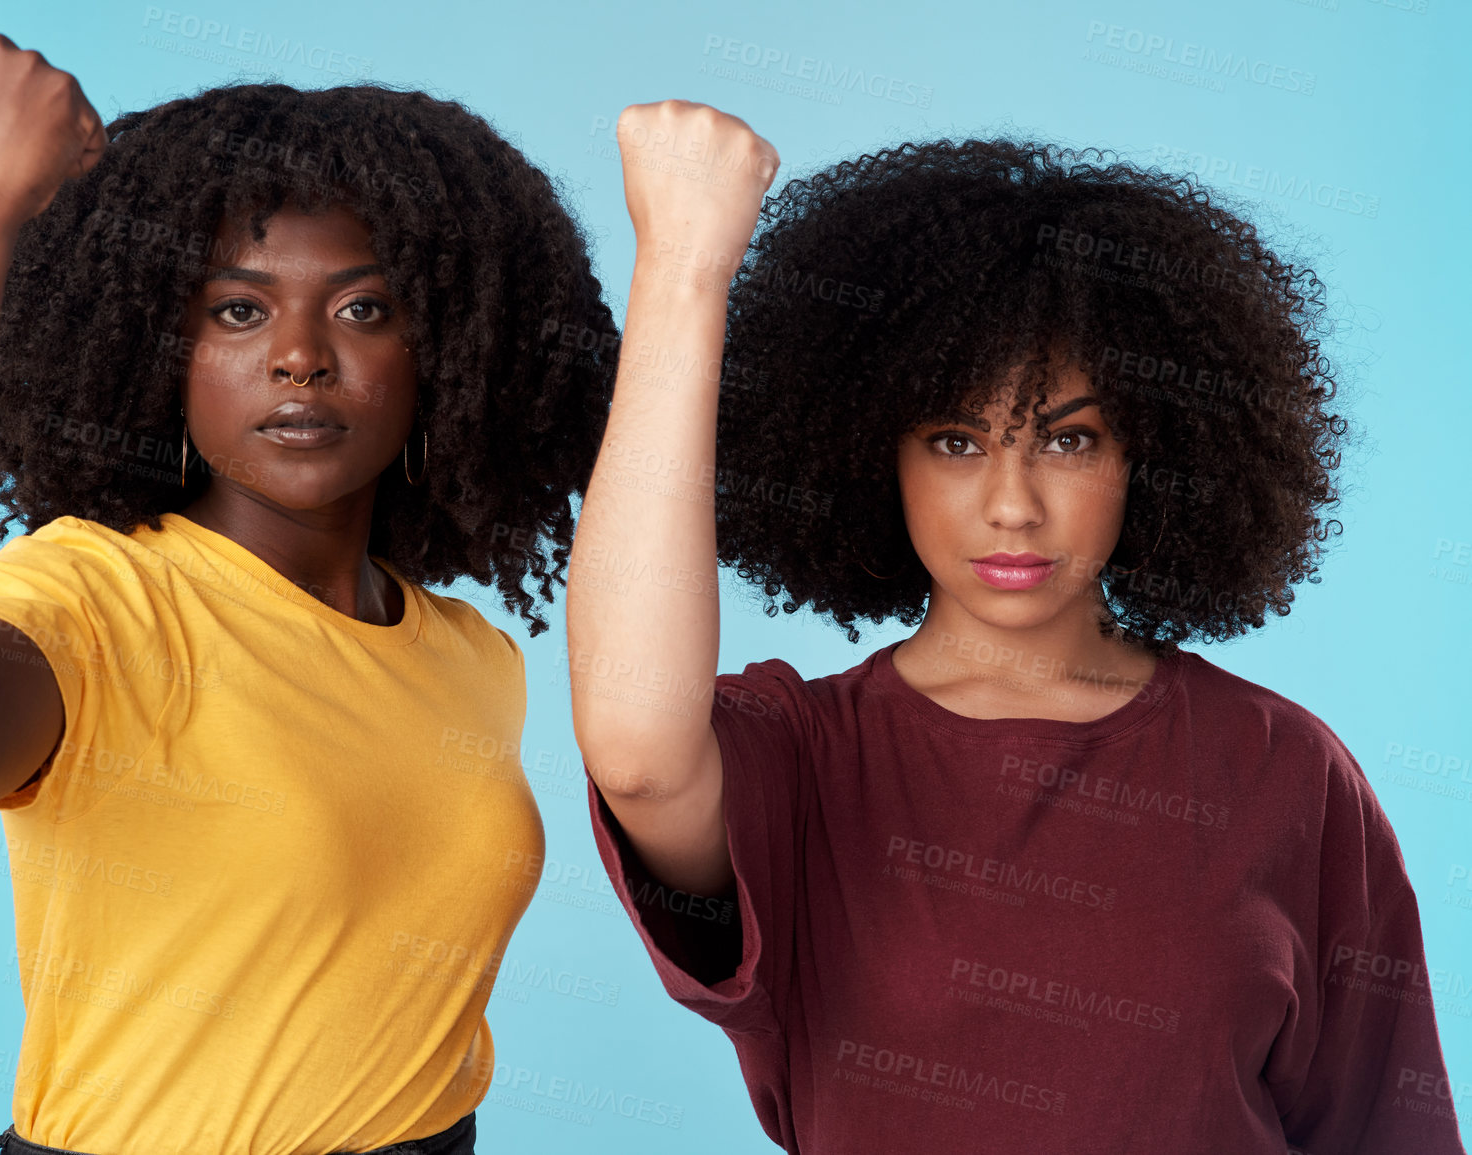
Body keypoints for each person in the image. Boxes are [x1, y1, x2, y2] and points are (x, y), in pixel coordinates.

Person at [567, 101, 1465, 1154]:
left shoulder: (1287, 771)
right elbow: (633, 752)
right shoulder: (804, 760)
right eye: (954, 440)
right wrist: (683, 272)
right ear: (869, 454)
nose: (1011, 504)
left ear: (1154, 454)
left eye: (1069, 441)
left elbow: (1388, 1132)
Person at [0, 33, 616, 1155]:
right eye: (238, 312)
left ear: (445, 349)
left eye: (364, 310)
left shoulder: (467, 653)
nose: (300, 356)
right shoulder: (101, 598)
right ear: (160, 347)